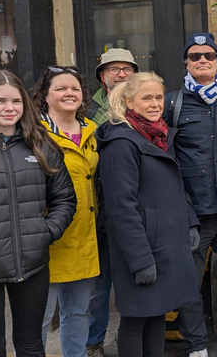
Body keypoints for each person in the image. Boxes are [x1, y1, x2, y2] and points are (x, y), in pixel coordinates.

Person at [0, 70, 76, 357]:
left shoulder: (42, 145)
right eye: (0, 101)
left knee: (31, 346)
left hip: (33, 267)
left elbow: (65, 200)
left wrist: (45, 233)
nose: (10, 108)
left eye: (16, 101)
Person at [95, 72, 200, 357]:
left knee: (156, 315)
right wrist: (140, 260)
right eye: (146, 98)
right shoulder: (121, 142)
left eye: (158, 97)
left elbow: (177, 185)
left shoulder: (158, 136)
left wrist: (189, 222)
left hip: (164, 244)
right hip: (142, 248)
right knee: (135, 320)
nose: (155, 104)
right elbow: (120, 208)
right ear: (129, 101)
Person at [165, 33, 217, 357]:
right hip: (192, 214)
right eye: (195, 55)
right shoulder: (173, 104)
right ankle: (197, 344)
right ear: (186, 62)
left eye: (209, 55)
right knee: (189, 285)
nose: (203, 60)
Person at [31, 66, 100, 357]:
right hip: (46, 239)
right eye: (61, 88)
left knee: (78, 312)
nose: (69, 93)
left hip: (84, 236)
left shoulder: (90, 131)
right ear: (45, 96)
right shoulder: (33, 135)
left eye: (75, 88)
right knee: (38, 319)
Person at [86, 48, 138, 357]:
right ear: (102, 77)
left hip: (133, 207)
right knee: (99, 286)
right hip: (98, 209)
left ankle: (127, 338)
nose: (120, 74)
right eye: (113, 69)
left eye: (126, 69)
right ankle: (93, 342)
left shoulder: (146, 104)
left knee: (133, 283)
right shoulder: (86, 109)